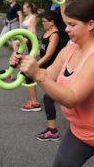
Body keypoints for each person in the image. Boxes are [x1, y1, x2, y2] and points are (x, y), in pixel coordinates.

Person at [11, 0, 94, 166]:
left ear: (90, 25)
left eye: (72, 25)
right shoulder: (71, 49)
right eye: (66, 24)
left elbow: (72, 99)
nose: (66, 29)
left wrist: (37, 74)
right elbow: (48, 74)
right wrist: (25, 64)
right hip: (81, 131)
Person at [35, 10, 63, 141]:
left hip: (54, 68)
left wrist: (36, 65)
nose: (43, 23)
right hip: (46, 67)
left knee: (48, 98)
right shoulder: (47, 31)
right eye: (42, 21)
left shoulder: (55, 34)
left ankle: (53, 131)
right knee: (49, 97)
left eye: (45, 21)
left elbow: (49, 55)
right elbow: (41, 50)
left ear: (52, 22)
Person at [16, 2, 42, 112]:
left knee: (29, 72)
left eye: (25, 8)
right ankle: (34, 100)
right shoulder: (27, 17)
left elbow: (32, 32)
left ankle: (35, 102)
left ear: (30, 8)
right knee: (27, 71)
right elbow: (22, 29)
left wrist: (25, 41)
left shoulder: (33, 17)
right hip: (26, 42)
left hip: (31, 43)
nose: (24, 10)